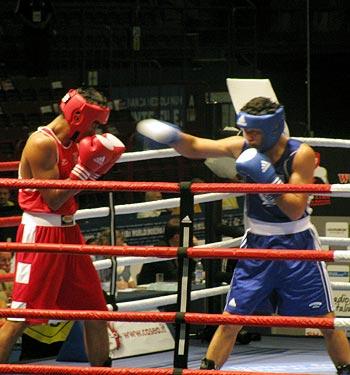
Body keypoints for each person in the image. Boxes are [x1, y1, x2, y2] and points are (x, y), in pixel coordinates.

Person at [136, 96, 350, 375]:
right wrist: (173, 136)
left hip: (297, 243)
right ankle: (206, 371)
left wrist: (269, 179)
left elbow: (295, 210)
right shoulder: (243, 146)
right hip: (257, 243)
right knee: (231, 319)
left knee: (324, 321)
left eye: (254, 131)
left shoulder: (301, 154)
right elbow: (198, 147)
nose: (247, 136)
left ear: (273, 129)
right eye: (245, 130)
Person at [0, 87, 126, 366]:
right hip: (42, 233)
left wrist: (87, 170)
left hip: (70, 233)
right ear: (79, 115)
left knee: (95, 310)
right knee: (21, 315)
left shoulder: (74, 143)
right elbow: (53, 200)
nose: (96, 130)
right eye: (94, 122)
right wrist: (86, 171)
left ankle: (103, 371)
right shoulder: (42, 143)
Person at [137, 216, 198, 284]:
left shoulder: (180, 247)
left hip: (166, 286)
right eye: (189, 234)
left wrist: (195, 250)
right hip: (149, 290)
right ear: (176, 237)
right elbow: (173, 276)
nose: (193, 237)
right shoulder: (161, 248)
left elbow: (199, 270)